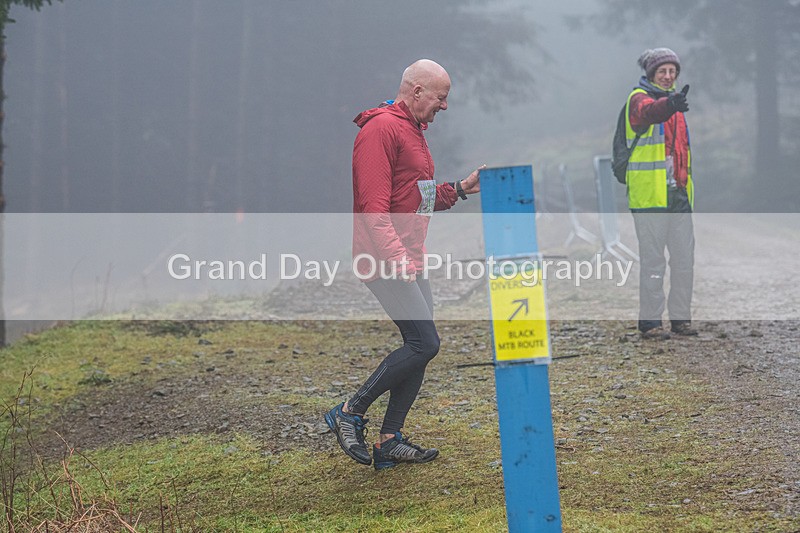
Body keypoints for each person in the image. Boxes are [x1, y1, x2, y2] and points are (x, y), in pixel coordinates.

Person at [324, 59, 483, 470]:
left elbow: (418, 197)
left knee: (421, 347)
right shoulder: (380, 130)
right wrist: (398, 261)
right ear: (416, 92)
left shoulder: (411, 130)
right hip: (385, 260)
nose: (444, 107)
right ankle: (349, 412)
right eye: (441, 98)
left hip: (408, 257)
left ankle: (390, 438)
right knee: (425, 343)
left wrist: (460, 190)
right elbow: (373, 210)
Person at [625, 48, 698, 340]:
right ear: (651, 73)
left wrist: (673, 104)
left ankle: (681, 320)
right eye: (662, 72)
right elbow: (648, 112)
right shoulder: (638, 99)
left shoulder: (677, 106)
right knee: (654, 262)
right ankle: (650, 323)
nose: (668, 76)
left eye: (672, 72)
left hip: (678, 195)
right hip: (649, 198)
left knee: (684, 261)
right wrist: (670, 104)